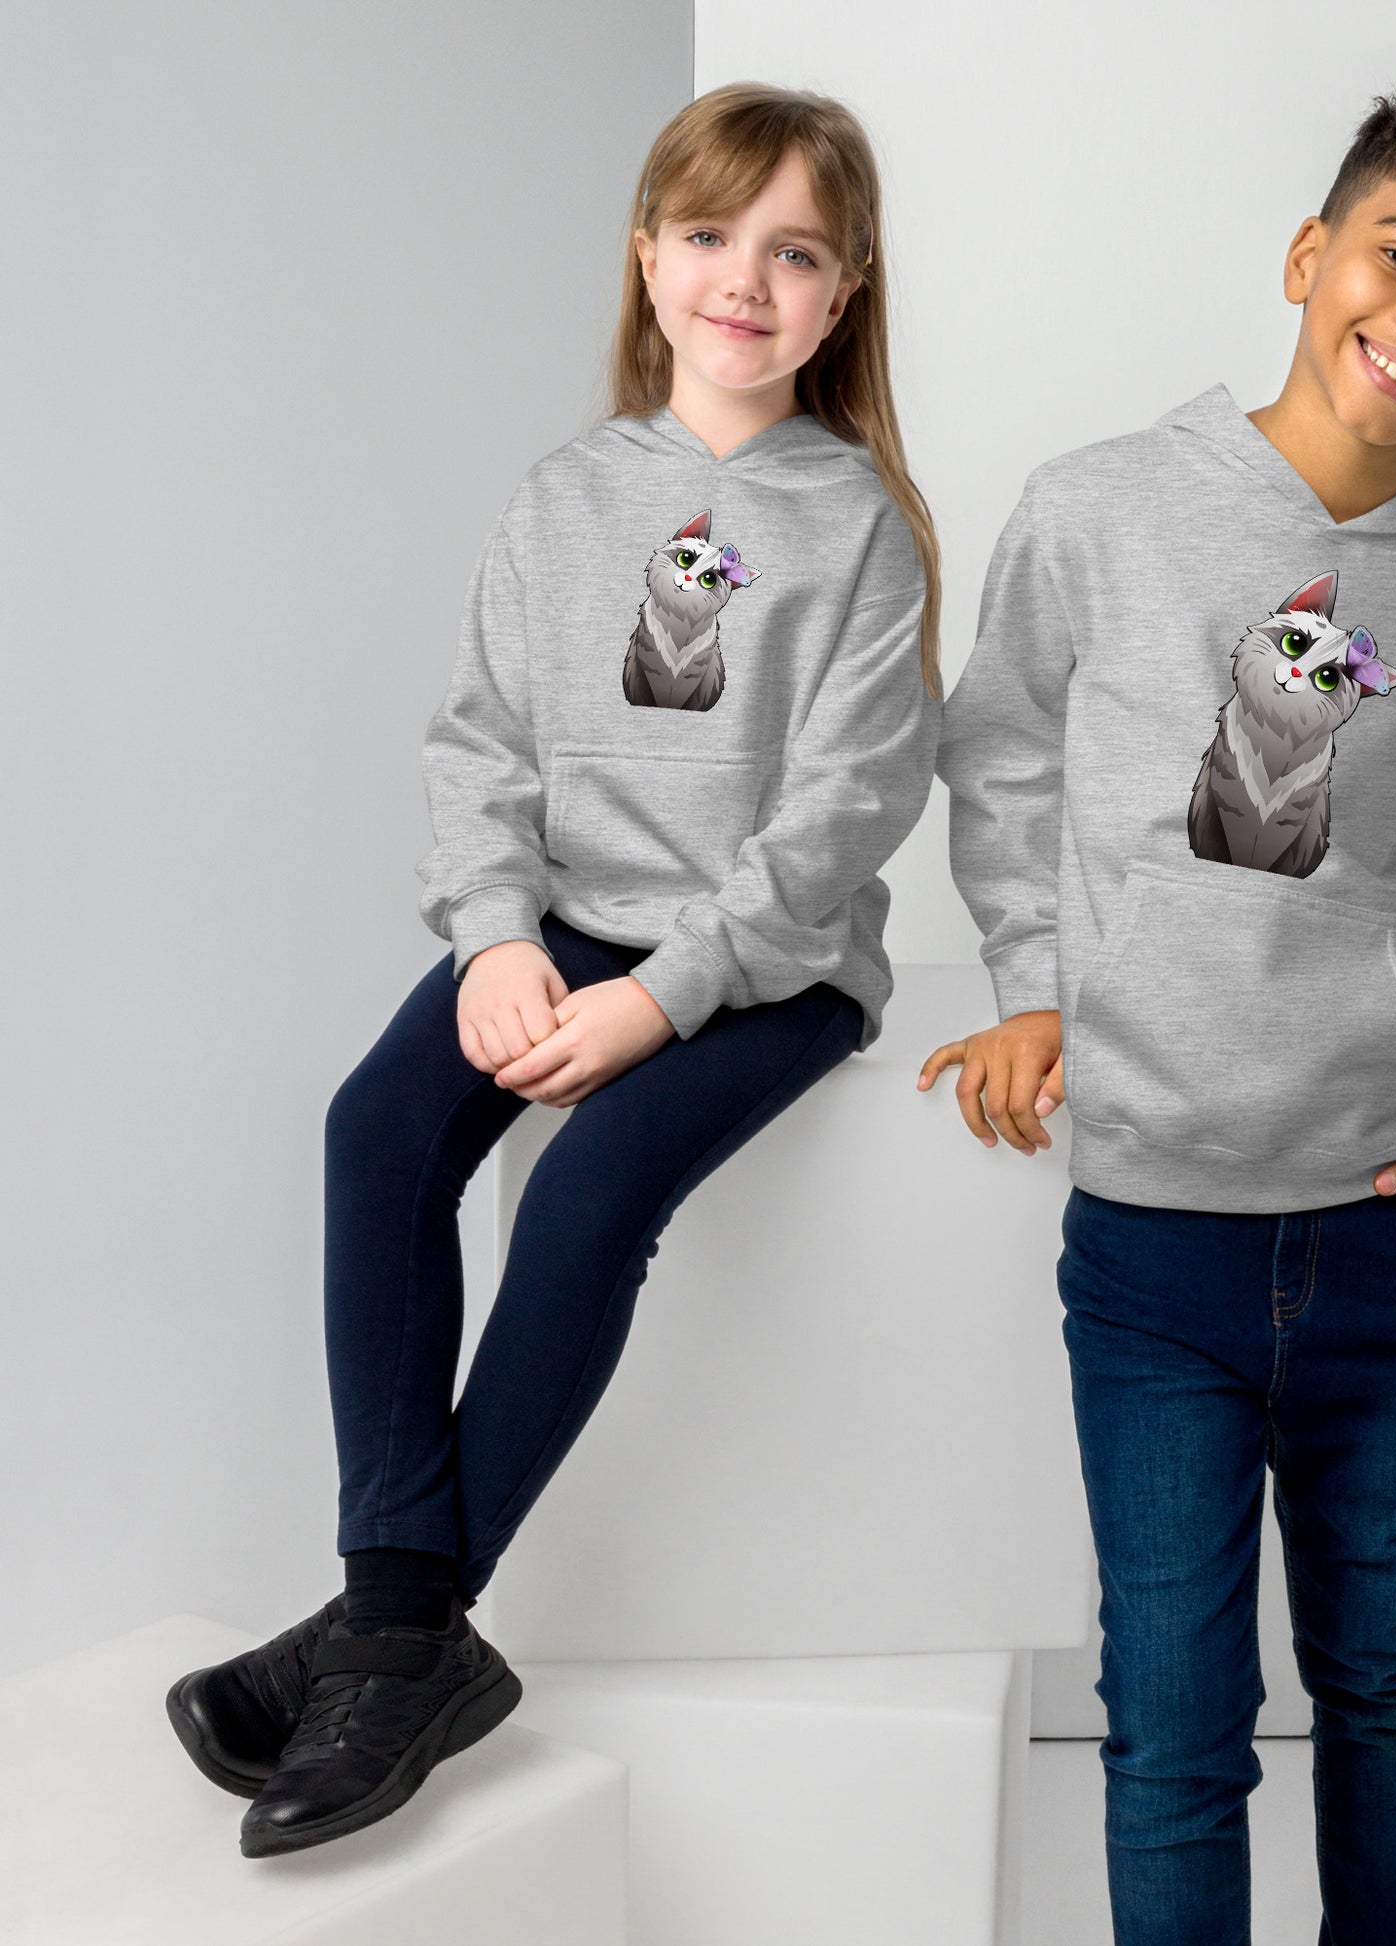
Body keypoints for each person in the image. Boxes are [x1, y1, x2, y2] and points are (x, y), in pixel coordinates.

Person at [166, 81, 941, 1860]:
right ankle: (402, 1619)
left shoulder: (864, 526)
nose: (743, 279)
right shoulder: (563, 496)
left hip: (772, 958)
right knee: (378, 1129)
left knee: (589, 1190)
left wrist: (667, 993)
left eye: (795, 252)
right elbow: (482, 744)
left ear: (845, 293)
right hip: (566, 916)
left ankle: (385, 1636)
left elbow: (846, 810)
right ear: (647, 255)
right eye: (710, 235)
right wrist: (499, 934)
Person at [921, 88, 1396, 1945]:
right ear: (1310, 259)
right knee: (1174, 1717)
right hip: (1151, 1237)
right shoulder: (1097, 507)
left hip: (1379, 1222)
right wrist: (1032, 990)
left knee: (1382, 1674)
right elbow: (998, 764)